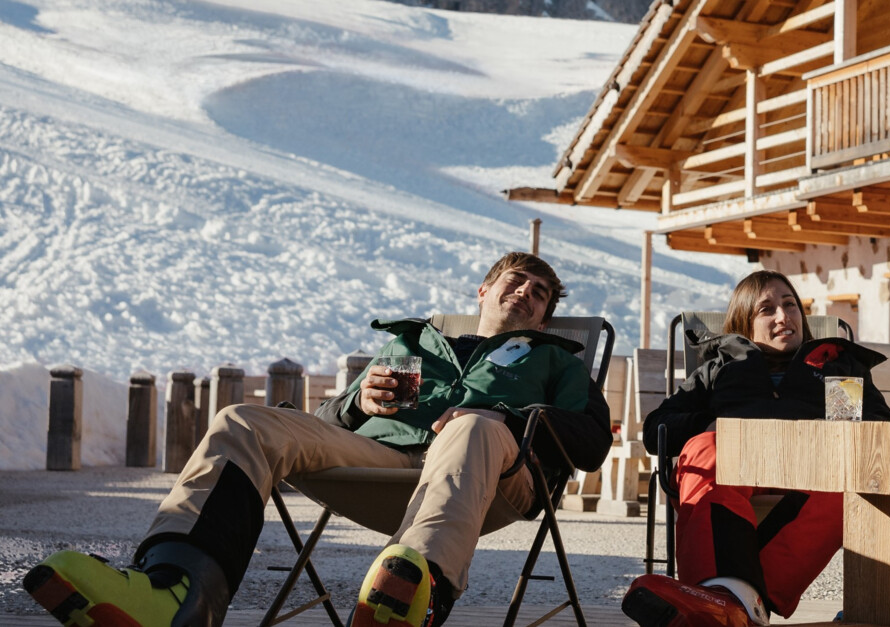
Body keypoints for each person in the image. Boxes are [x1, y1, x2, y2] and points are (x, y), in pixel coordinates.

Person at [21, 252, 610, 627]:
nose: (526, 293)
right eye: (516, 281)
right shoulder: (413, 344)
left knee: (473, 426)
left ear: (543, 318)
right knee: (244, 423)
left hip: (492, 472)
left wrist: (505, 416)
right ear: (483, 291)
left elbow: (588, 441)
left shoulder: (553, 360)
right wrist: (360, 400)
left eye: (540, 294)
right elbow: (326, 423)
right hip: (382, 457)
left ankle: (413, 601)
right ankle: (173, 597)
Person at [622, 270, 890, 627]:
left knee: (855, 480)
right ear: (745, 324)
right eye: (767, 310)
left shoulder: (838, 366)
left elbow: (885, 434)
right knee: (706, 448)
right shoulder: (721, 368)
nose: (784, 316)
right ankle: (736, 604)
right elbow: (658, 427)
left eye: (790, 305)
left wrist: (840, 434)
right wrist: (711, 427)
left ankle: (728, 605)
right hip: (734, 473)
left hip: (815, 477)